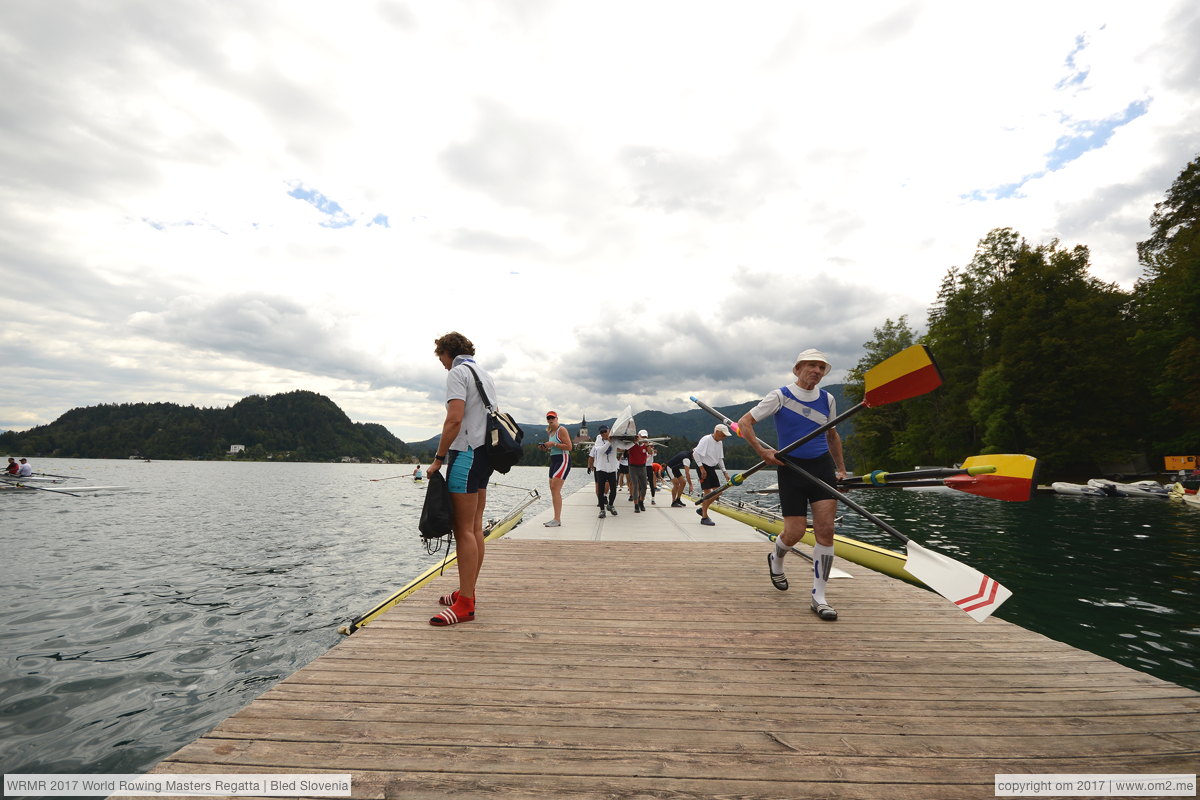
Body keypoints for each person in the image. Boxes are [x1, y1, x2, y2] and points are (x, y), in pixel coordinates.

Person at [737, 348, 847, 622]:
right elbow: (744, 423)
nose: (817, 371)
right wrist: (762, 453)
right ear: (797, 369)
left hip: (821, 467)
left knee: (826, 529)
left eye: (822, 368)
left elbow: (832, 435)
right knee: (795, 532)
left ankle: (819, 597)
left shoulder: (828, 399)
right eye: (811, 366)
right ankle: (777, 558)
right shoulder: (780, 396)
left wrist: (841, 469)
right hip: (791, 468)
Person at [426, 331, 497, 626]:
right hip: (485, 456)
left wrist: (438, 458)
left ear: (448, 352)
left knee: (462, 529)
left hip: (465, 455)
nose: (442, 364)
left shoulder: (458, 373)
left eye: (441, 357)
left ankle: (466, 604)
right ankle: (467, 591)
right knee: (475, 527)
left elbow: (454, 419)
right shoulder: (484, 374)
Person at [693, 425, 731, 525]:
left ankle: (703, 509)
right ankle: (704, 517)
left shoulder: (720, 442)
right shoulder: (706, 439)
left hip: (711, 467)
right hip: (703, 466)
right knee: (707, 492)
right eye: (723, 435)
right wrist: (701, 468)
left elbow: (719, 458)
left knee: (718, 492)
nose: (724, 437)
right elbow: (695, 454)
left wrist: (725, 472)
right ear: (717, 432)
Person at [540, 411, 572, 527]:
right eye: (548, 418)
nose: (550, 419)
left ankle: (557, 519)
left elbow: (569, 446)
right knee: (552, 489)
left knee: (555, 488)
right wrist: (545, 447)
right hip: (554, 460)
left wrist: (553, 444)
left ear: (557, 418)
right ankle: (555, 518)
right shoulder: (550, 431)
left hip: (563, 459)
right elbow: (553, 447)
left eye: (552, 417)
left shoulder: (561, 430)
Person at [587, 425, 619, 518]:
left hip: (612, 468)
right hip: (601, 468)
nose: (603, 433)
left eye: (605, 431)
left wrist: (634, 442)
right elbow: (600, 451)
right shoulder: (599, 439)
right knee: (600, 490)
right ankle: (602, 510)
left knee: (613, 490)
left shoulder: (614, 439)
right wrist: (589, 466)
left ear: (609, 431)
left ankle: (611, 505)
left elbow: (624, 446)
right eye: (601, 432)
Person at [621, 431, 651, 512]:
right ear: (639, 436)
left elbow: (650, 452)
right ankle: (636, 505)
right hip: (633, 467)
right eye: (642, 437)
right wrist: (634, 440)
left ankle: (641, 501)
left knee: (644, 486)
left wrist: (647, 444)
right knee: (635, 485)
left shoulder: (646, 445)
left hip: (642, 467)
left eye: (645, 437)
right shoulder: (632, 444)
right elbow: (624, 449)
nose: (644, 438)